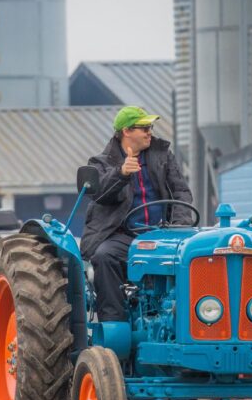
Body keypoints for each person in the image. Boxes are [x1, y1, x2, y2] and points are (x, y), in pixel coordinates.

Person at [80, 106, 194, 324]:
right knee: (105, 256)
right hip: (124, 236)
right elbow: (99, 194)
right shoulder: (100, 163)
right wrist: (121, 173)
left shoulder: (163, 156)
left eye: (150, 127)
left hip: (162, 234)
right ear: (126, 131)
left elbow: (180, 192)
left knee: (193, 255)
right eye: (144, 128)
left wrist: (180, 227)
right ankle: (114, 325)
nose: (149, 132)